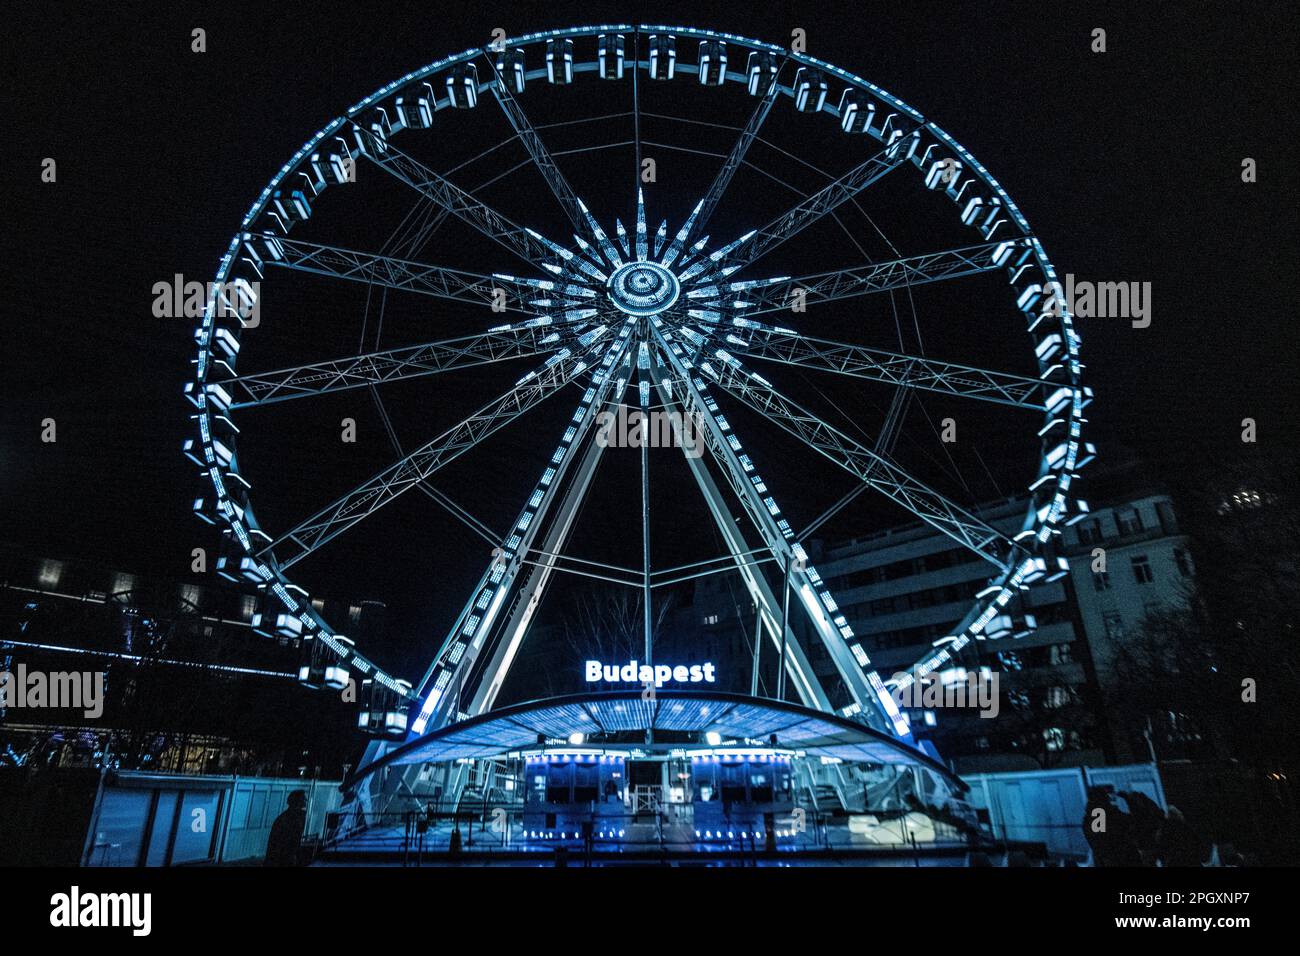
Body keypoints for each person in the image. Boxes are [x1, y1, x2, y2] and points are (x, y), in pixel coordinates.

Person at [264, 790, 308, 866]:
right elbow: (287, 841)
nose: (305, 801)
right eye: (303, 799)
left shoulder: (292, 817)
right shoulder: (289, 819)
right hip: (282, 858)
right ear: (297, 801)